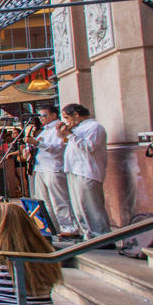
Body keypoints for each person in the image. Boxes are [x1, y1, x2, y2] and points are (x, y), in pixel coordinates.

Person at [59, 103, 111, 241]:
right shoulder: (78, 129)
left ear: (76, 115)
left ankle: (102, 236)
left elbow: (89, 147)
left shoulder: (95, 127)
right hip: (74, 170)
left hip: (87, 171)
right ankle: (88, 234)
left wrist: (70, 135)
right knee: (80, 207)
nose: (67, 122)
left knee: (92, 206)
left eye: (67, 118)